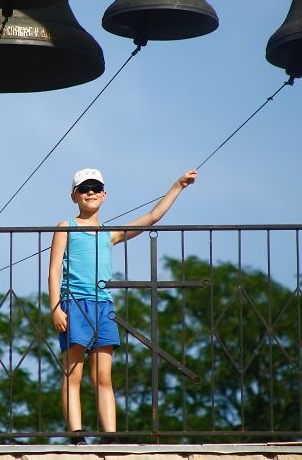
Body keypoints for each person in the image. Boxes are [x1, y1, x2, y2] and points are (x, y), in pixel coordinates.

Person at [48, 167, 198, 445]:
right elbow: (54, 270)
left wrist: (178, 185)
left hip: (103, 305)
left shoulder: (110, 233)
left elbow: (151, 218)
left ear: (104, 195)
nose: (90, 192)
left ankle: (110, 437)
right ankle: (77, 436)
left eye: (95, 188)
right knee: (73, 373)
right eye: (84, 189)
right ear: (74, 197)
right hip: (75, 304)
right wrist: (55, 307)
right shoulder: (65, 227)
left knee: (103, 376)